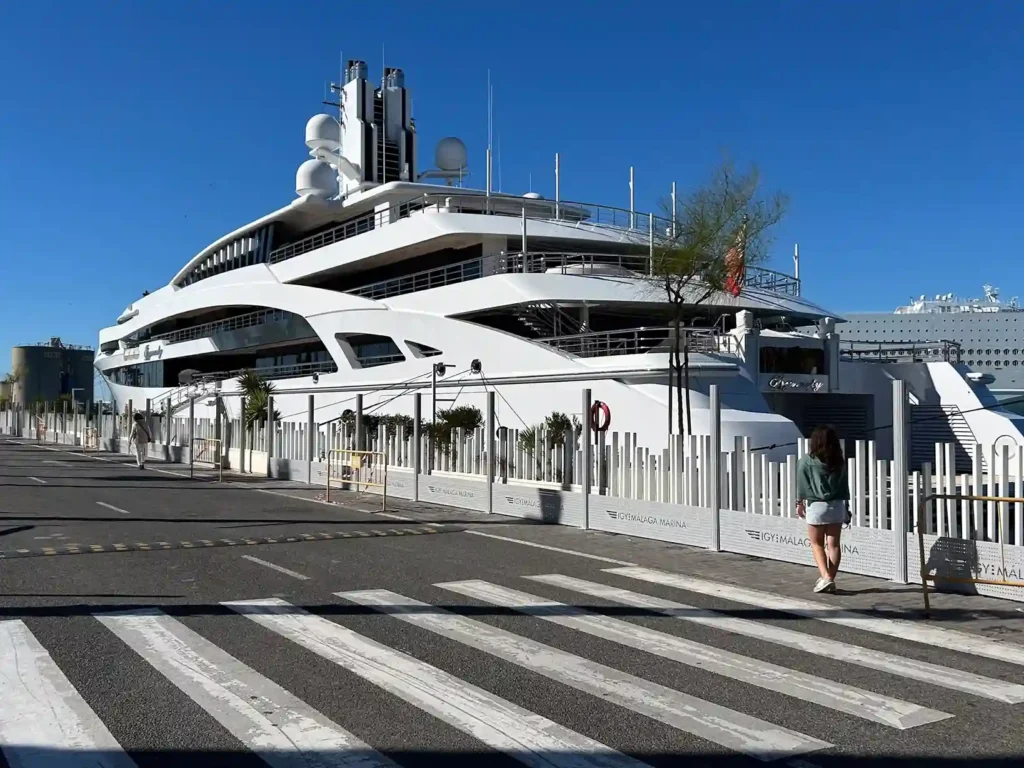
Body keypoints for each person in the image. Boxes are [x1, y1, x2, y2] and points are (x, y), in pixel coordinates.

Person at [796, 425, 850, 593]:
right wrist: (846, 508)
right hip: (837, 505)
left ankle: (826, 577)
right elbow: (844, 486)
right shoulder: (839, 461)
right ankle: (829, 579)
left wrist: (799, 503)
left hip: (816, 505)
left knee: (816, 543)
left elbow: (802, 485)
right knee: (834, 545)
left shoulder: (806, 461)